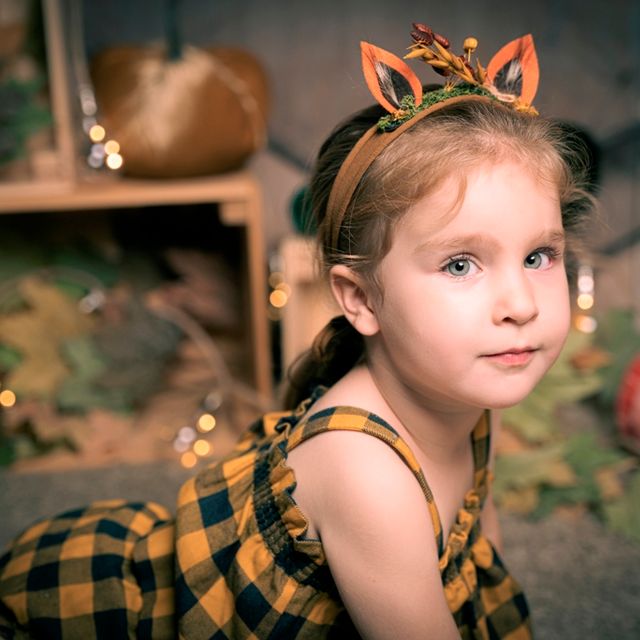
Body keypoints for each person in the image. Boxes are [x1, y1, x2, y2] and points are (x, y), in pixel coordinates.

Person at [0, 23, 596, 640]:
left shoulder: (470, 382)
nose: (520, 304)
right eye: (460, 264)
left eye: (538, 256)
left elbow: (476, 534)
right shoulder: (365, 472)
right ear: (361, 299)